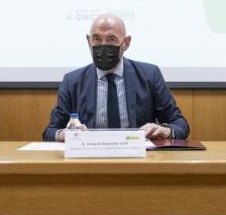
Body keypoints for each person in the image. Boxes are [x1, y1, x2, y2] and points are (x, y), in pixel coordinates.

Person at [43, 14, 189, 142]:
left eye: (111, 39)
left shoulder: (149, 75)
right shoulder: (72, 81)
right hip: (89, 161)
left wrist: (165, 130)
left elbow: (180, 125)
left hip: (139, 161)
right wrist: (65, 134)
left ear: (126, 43)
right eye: (97, 39)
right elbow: (50, 132)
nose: (103, 45)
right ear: (89, 41)